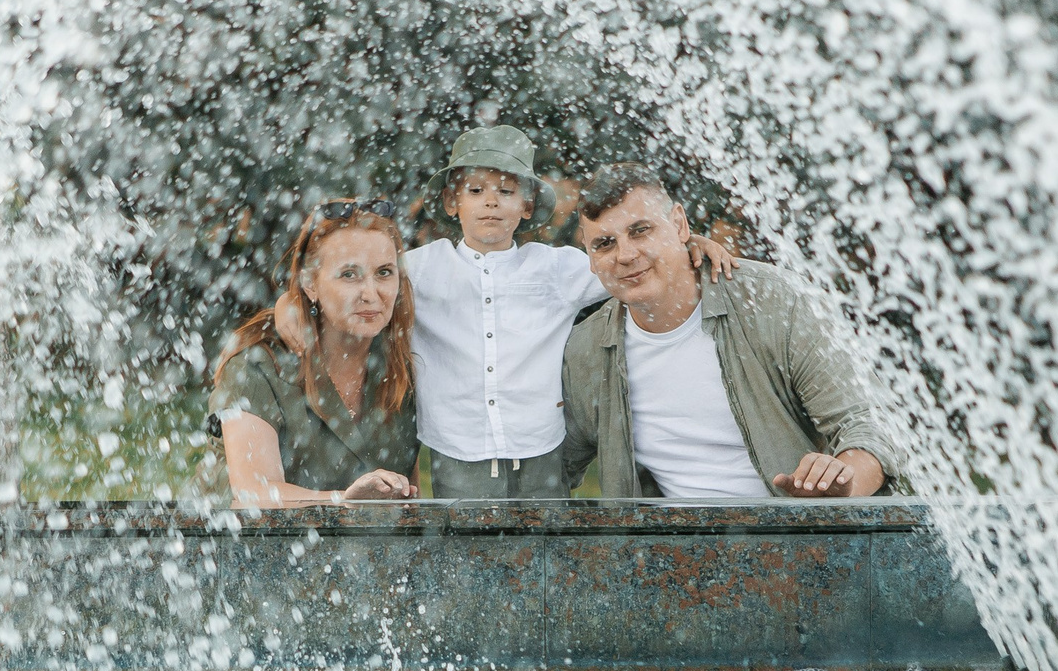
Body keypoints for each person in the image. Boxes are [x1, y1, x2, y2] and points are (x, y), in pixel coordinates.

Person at [274, 124, 735, 499]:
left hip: (542, 443)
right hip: (458, 445)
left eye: (506, 191)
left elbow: (628, 269)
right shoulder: (420, 269)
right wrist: (288, 306)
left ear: (527, 205)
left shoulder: (557, 268)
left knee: (546, 553)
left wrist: (688, 243)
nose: (491, 201)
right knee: (469, 555)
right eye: (475, 190)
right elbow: (356, 281)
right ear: (454, 204)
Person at [559, 164, 898, 499]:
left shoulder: (772, 302)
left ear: (679, 225)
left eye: (640, 231)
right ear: (589, 257)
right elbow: (551, 467)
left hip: (803, 540)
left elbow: (870, 423)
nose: (626, 255)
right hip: (670, 550)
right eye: (604, 243)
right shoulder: (585, 351)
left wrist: (841, 489)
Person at [210, 201, 420, 506]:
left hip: (363, 552)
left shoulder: (399, 365)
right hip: (249, 547)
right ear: (310, 283)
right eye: (349, 275)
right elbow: (253, 493)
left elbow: (409, 501)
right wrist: (346, 500)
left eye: (384, 272)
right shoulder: (259, 367)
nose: (371, 293)